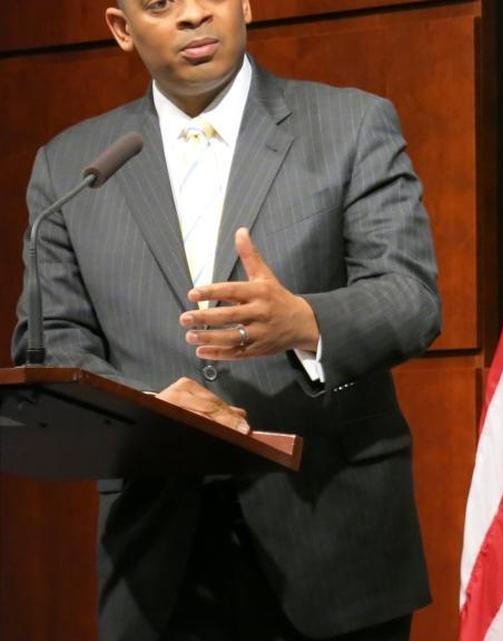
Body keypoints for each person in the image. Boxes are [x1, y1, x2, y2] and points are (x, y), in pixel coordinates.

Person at [11, 0, 440, 639]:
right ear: (122, 29)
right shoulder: (70, 165)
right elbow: (50, 345)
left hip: (332, 538)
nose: (191, 15)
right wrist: (152, 408)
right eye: (160, 3)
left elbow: (411, 299)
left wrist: (304, 320)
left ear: (245, 4)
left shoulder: (351, 123)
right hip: (158, 557)